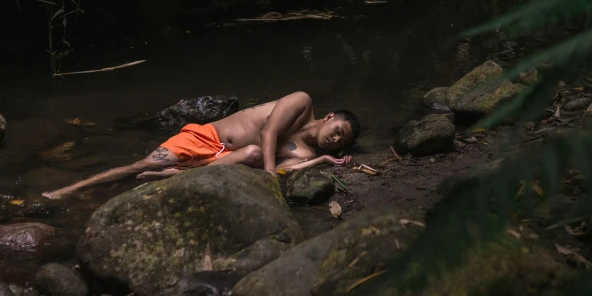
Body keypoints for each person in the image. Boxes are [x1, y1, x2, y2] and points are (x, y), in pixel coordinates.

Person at [42, 91, 360, 199]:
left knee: (248, 153)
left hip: (226, 161)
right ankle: (67, 191)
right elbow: (269, 134)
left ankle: (173, 176)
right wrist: (267, 174)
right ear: (330, 116)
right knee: (143, 165)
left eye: (341, 141)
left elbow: (282, 170)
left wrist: (318, 163)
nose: (335, 139)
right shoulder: (302, 102)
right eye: (338, 130)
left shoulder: (306, 152)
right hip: (206, 137)